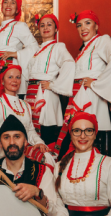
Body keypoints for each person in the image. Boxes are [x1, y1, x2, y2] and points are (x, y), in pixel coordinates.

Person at [53, 10, 111, 158]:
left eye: (88, 23)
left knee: (85, 135)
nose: (83, 28)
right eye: (79, 25)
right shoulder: (84, 49)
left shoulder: (102, 41)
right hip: (76, 96)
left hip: (88, 97)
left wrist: (97, 83)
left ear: (96, 26)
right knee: (73, 138)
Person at [0, 63, 55, 169]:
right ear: (2, 81)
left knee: (47, 157)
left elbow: (29, 131)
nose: (14, 80)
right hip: (10, 150)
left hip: (24, 148)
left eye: (18, 77)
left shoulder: (25, 105)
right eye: (10, 77)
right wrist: (2, 146)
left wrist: (39, 142)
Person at [26, 13, 75, 145]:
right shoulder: (38, 50)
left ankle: (47, 162)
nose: (45, 27)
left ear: (56, 29)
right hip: (31, 93)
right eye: (42, 25)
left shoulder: (58, 47)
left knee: (45, 131)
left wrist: (53, 85)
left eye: (49, 24)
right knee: (30, 130)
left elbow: (69, 63)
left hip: (45, 93)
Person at [0, 0, 38, 98]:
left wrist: (15, 54)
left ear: (17, 9)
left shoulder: (20, 26)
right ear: (1, 7)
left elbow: (34, 47)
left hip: (10, 70)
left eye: (13, 2)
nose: (8, 5)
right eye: (6, 2)